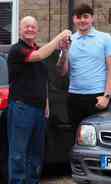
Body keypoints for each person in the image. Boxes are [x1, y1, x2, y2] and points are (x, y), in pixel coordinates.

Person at [7, 16, 71, 184]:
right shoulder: (17, 50)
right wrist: (59, 36)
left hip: (39, 111)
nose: (30, 29)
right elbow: (38, 55)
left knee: (36, 154)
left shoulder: (39, 53)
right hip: (22, 108)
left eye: (33, 27)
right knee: (19, 153)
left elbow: (58, 72)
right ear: (20, 30)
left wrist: (64, 50)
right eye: (26, 26)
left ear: (37, 30)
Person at [56, 3, 111, 133]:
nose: (82, 20)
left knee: (98, 138)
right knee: (76, 138)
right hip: (74, 97)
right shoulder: (69, 40)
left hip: (97, 97)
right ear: (74, 19)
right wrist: (65, 52)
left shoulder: (105, 38)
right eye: (78, 17)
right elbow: (62, 72)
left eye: (86, 16)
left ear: (92, 18)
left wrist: (106, 96)